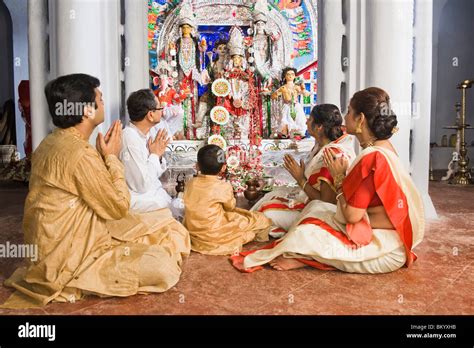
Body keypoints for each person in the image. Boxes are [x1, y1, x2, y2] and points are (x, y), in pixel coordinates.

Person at [2, 74, 190, 308]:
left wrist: (106, 157)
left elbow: (94, 189)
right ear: (86, 112)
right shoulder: (80, 153)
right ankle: (81, 277)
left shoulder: (50, 143)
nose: (103, 104)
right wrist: (111, 158)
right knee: (162, 265)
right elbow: (119, 205)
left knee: (163, 225)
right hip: (70, 258)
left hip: (53, 247)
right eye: (100, 100)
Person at [232, 87, 424, 274]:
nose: (345, 116)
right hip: (388, 237)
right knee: (315, 211)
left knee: (306, 231)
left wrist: (339, 177)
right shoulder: (382, 147)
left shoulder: (370, 157)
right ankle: (307, 253)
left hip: (383, 249)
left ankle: (306, 258)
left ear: (360, 120)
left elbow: (351, 216)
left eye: (349, 111)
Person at [251, 104, 355, 236]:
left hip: (322, 214)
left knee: (266, 214)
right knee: (272, 194)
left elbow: (325, 202)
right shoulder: (320, 146)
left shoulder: (331, 155)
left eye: (310, 119)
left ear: (319, 127)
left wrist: (300, 179)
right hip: (309, 202)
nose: (306, 121)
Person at [183, 144, 272, 255]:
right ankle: (259, 243)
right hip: (216, 234)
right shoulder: (223, 186)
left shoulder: (190, 183)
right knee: (261, 220)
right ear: (224, 167)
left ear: (197, 166)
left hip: (194, 232)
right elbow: (230, 207)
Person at [120, 88, 183, 218]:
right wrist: (154, 155)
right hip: (140, 199)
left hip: (152, 192)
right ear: (150, 115)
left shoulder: (146, 134)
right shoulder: (129, 138)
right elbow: (141, 185)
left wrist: (157, 157)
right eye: (160, 108)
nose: (163, 112)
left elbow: (153, 174)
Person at [272, 67, 310, 138]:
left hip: (295, 105)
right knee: (285, 119)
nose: (290, 76)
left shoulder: (296, 87)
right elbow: (274, 96)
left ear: (295, 76)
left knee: (299, 119)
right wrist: (276, 93)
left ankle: (298, 133)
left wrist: (304, 91)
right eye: (288, 74)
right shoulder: (283, 88)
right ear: (285, 76)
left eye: (292, 74)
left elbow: (303, 91)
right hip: (287, 105)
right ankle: (285, 133)